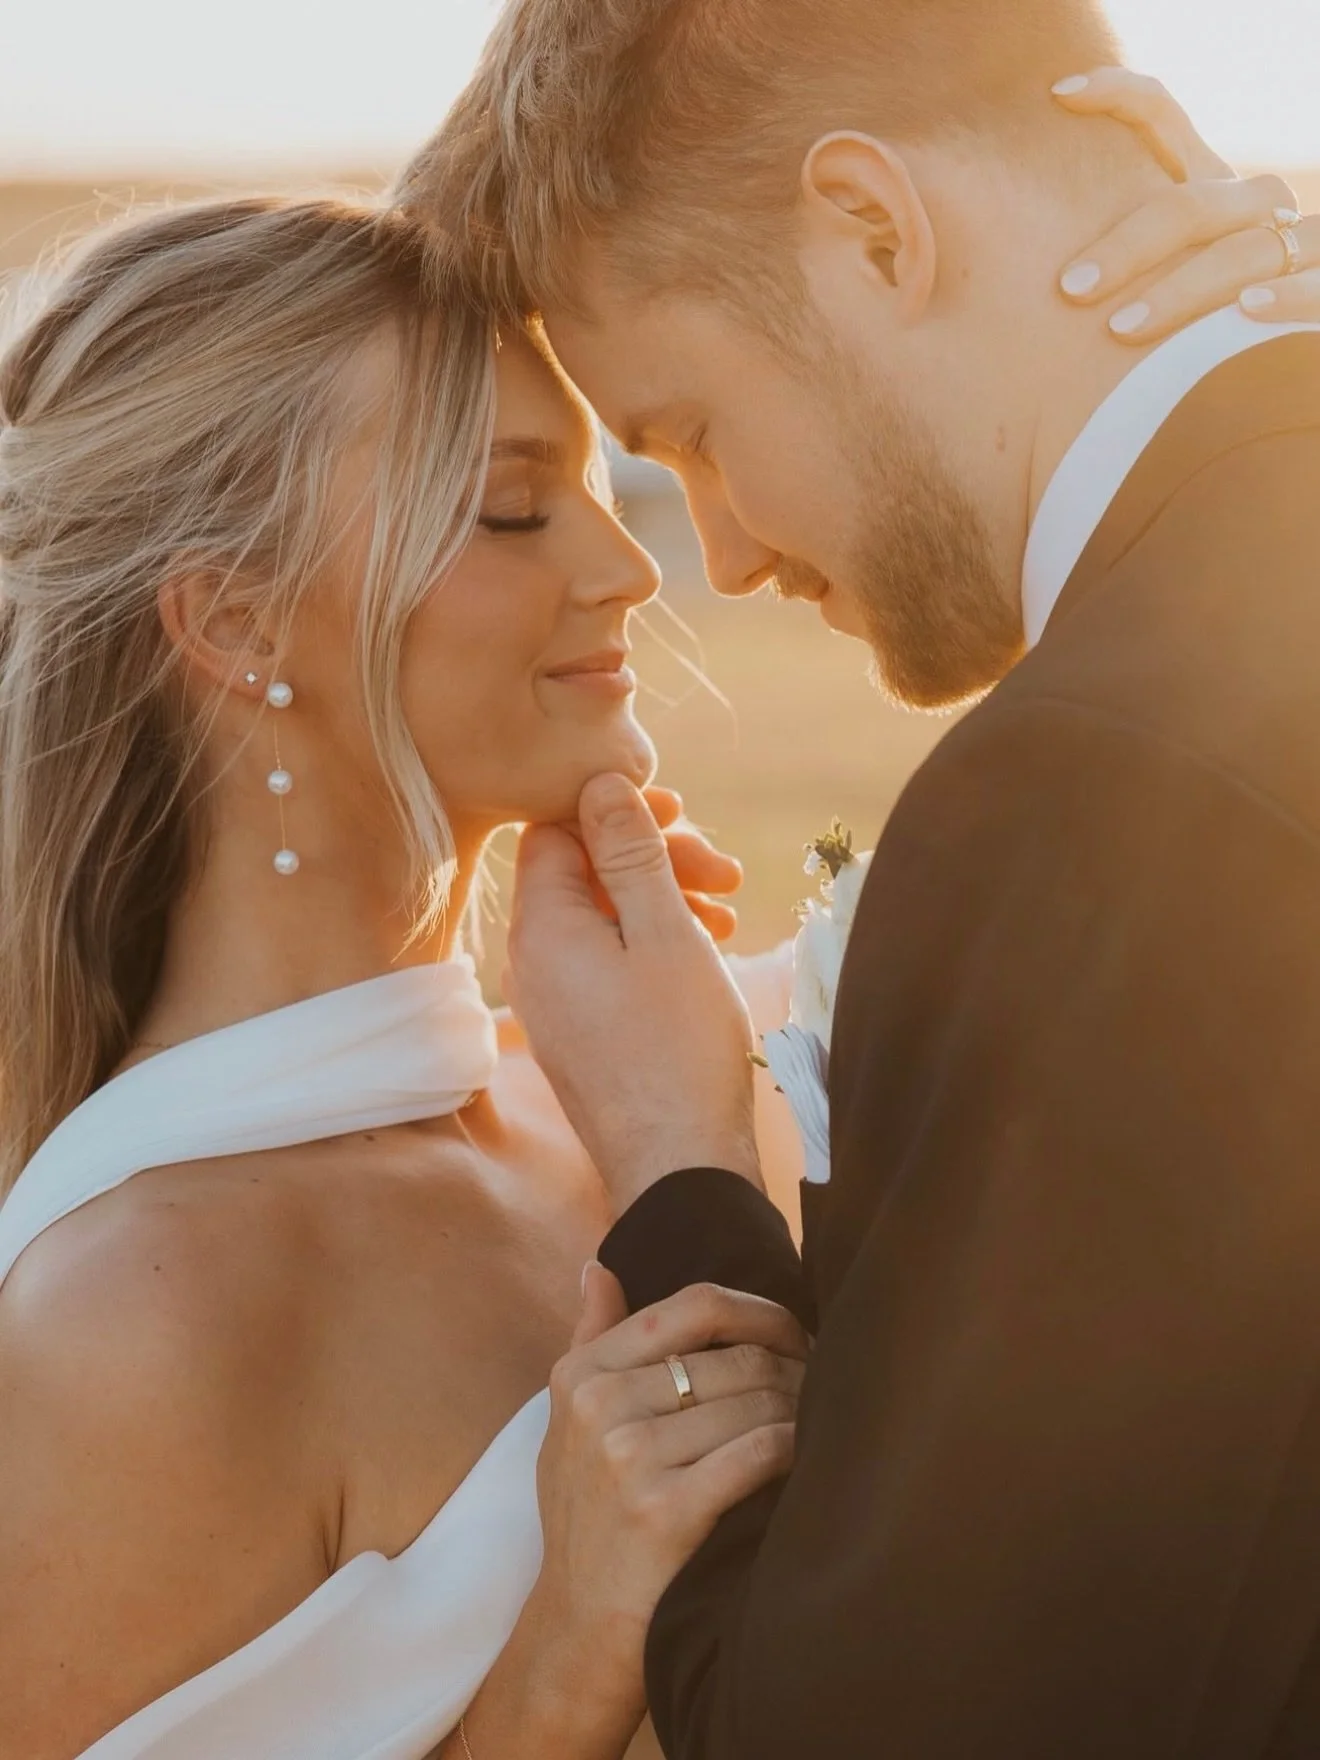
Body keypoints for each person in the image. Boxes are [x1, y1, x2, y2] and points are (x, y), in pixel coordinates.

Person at [0, 78, 1311, 1760]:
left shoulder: (679, 1087)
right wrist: (561, 1667)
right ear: (239, 621)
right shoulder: (130, 1324)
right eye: (514, 508)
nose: (636, 568)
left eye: (615, 480)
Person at [408, 2, 1320, 1755]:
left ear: (878, 230)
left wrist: (680, 1169)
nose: (723, 552)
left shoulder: (1101, 785)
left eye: (689, 431)